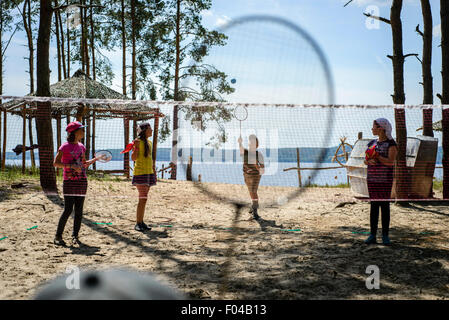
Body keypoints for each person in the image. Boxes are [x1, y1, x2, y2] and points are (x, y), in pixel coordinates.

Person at [53, 121, 101, 246]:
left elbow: (83, 164)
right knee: (68, 210)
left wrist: (96, 159)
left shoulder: (81, 146)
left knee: (79, 210)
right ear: (74, 132)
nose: (84, 132)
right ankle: (58, 237)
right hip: (69, 181)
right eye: (82, 129)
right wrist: (71, 166)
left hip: (82, 181)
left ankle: (75, 236)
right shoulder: (64, 147)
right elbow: (56, 163)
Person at [364, 118, 398, 245]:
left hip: (384, 180)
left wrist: (377, 157)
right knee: (373, 206)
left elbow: (390, 162)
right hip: (372, 179)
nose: (372, 129)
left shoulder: (391, 144)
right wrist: (369, 161)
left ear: (381, 128)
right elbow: (365, 160)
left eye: (374, 126)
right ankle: (372, 235)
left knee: (384, 207)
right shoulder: (371, 143)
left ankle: (385, 236)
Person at [131, 122, 157, 232]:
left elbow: (149, 158)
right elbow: (133, 158)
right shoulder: (137, 142)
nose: (152, 130)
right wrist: (136, 147)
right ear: (144, 130)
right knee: (142, 199)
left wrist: (153, 171)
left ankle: (141, 222)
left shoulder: (149, 143)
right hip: (140, 174)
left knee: (144, 199)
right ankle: (138, 223)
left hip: (148, 173)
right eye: (150, 128)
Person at [238, 134, 265, 220]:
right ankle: (253, 205)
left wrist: (256, 165)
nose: (252, 144)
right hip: (246, 175)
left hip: (256, 176)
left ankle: (255, 211)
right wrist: (240, 142)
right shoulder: (245, 152)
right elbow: (241, 149)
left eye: (254, 142)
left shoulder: (259, 155)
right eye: (251, 142)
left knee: (253, 191)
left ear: (257, 145)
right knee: (251, 192)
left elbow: (262, 170)